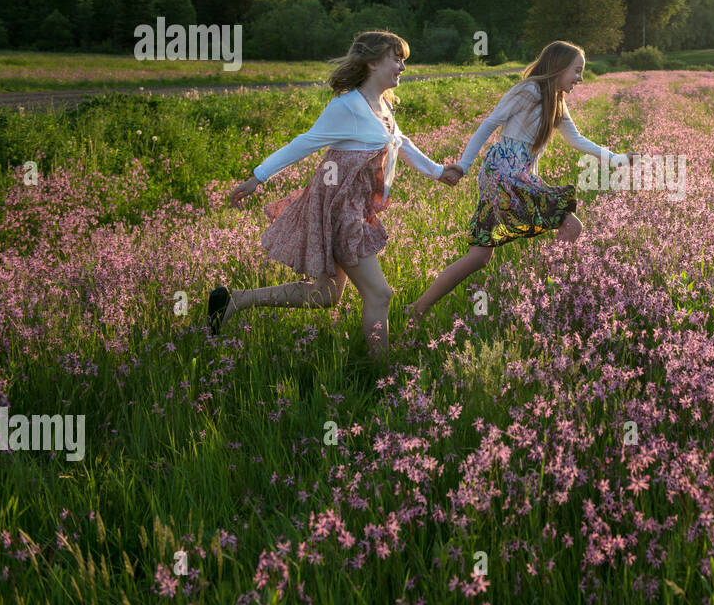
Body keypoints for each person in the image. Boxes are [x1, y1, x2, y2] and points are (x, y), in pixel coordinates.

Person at [208, 30, 462, 360]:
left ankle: (235, 300)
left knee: (326, 294)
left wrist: (439, 172)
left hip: (356, 208)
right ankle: (380, 371)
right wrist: (258, 176)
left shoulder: (381, 105)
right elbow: (304, 142)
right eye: (395, 59)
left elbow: (402, 143)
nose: (402, 66)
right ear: (372, 63)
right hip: (340, 209)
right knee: (380, 293)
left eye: (404, 60)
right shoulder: (347, 106)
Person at [406, 39, 632, 325]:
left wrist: (615, 159)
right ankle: (539, 296)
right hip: (502, 175)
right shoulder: (528, 91)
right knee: (565, 227)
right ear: (559, 66)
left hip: (520, 176)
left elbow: (575, 139)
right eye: (576, 70)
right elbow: (489, 123)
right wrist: (463, 165)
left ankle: (420, 307)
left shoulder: (556, 101)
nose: (580, 77)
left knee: (480, 257)